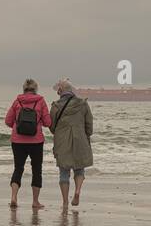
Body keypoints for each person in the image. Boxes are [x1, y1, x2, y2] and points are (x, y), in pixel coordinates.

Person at [5, 79, 52, 209]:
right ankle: (35, 202)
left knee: (18, 168)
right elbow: (48, 122)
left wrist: (17, 127)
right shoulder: (40, 101)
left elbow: (8, 121)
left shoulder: (17, 101)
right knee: (37, 169)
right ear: (35, 89)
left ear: (24, 89)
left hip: (17, 141)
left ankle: (14, 197)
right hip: (36, 141)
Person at [49, 79, 93, 207]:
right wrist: (86, 135)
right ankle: (77, 191)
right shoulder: (83, 104)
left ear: (60, 91)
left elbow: (52, 127)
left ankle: (65, 202)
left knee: (64, 172)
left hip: (62, 141)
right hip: (80, 139)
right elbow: (89, 125)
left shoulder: (56, 106)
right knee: (79, 169)